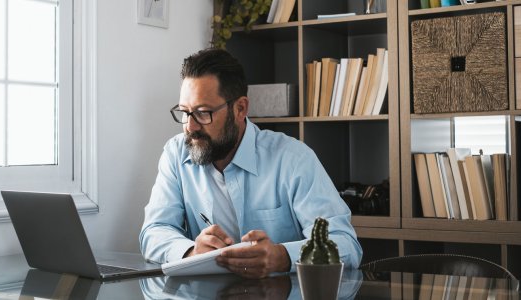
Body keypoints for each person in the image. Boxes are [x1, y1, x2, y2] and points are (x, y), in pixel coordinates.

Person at [140, 48, 362, 278]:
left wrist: (283, 256)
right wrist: (189, 252)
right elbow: (154, 231)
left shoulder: (293, 158)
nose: (190, 126)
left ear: (240, 109)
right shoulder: (176, 153)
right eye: (185, 112)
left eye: (203, 113)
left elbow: (345, 244)